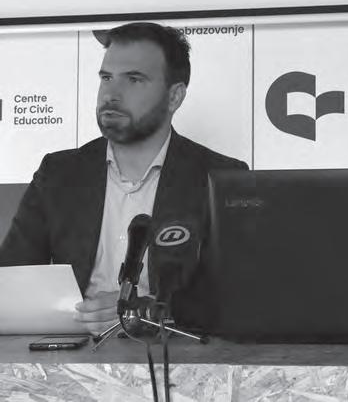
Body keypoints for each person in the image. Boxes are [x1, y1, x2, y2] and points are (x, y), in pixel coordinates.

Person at [0, 22, 248, 335]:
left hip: (172, 351)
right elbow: (10, 282)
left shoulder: (220, 178)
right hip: (75, 350)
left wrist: (145, 312)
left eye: (133, 79)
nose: (111, 94)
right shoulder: (58, 173)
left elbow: (239, 297)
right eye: (106, 78)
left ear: (174, 97)